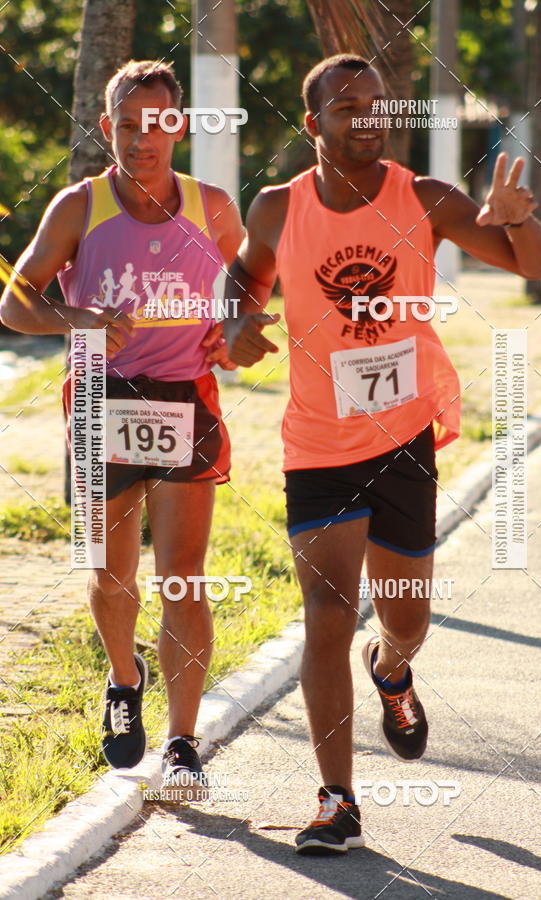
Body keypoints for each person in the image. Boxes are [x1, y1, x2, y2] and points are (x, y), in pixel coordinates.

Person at [223, 54, 541, 854]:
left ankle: (394, 671)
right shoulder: (276, 208)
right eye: (347, 109)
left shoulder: (427, 199)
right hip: (317, 442)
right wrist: (236, 328)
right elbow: (240, 282)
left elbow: (536, 265)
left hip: (403, 439)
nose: (367, 119)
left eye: (377, 107)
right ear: (313, 126)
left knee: (405, 616)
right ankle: (337, 799)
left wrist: (515, 217)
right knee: (326, 615)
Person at [0, 60, 243, 792]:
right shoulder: (79, 207)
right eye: (128, 125)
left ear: (180, 126)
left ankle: (181, 743)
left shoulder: (213, 206)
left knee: (182, 581)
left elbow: (250, 289)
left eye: (158, 123)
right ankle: (123, 676)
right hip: (101, 402)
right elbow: (15, 303)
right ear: (107, 128)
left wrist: (230, 326)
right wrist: (76, 318)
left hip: (183, 402)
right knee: (110, 578)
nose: (143, 139)